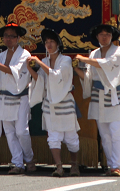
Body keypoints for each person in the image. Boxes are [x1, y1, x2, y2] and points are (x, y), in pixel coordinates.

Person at [75, 24, 120, 177]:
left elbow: (108, 65)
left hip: (115, 96)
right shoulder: (94, 54)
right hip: (99, 96)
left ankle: (117, 165)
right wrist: (77, 70)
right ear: (97, 36)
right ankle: (111, 164)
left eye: (107, 34)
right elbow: (90, 78)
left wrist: (84, 59)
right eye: (101, 34)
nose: (104, 37)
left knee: (116, 132)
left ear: (112, 37)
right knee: (104, 134)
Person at [29, 28, 80, 178]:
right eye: (46, 42)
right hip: (50, 104)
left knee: (71, 137)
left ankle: (74, 165)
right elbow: (41, 80)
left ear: (58, 44)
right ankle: (59, 167)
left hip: (65, 103)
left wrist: (38, 62)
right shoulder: (44, 61)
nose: (49, 44)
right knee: (53, 137)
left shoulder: (66, 60)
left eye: (51, 41)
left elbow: (56, 76)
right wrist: (30, 68)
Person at [0, 22, 35, 175]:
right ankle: (17, 162)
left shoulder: (24, 54)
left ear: (18, 38)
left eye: (12, 36)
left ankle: (29, 158)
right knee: (9, 131)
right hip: (4, 98)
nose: (8, 39)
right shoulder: (1, 55)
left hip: (21, 97)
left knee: (21, 131)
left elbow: (11, 72)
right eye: (6, 36)